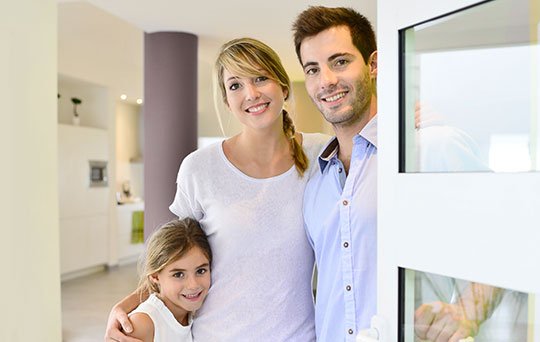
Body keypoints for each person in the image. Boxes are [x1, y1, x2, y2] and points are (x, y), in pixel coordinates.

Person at [292, 6, 502, 342]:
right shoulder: (313, 181)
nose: (326, 80)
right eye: (313, 69)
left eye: (340, 61)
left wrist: (466, 313)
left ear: (373, 64)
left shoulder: (429, 148)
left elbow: (504, 235)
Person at [105, 37, 329, 341]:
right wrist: (124, 306)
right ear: (226, 100)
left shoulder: (323, 153)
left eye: (260, 78)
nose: (251, 93)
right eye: (235, 85)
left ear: (284, 86)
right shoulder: (200, 168)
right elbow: (174, 261)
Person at [127, 218, 212, 342]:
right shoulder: (143, 324)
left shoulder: (194, 314)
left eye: (200, 271)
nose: (193, 285)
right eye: (178, 274)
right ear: (155, 276)